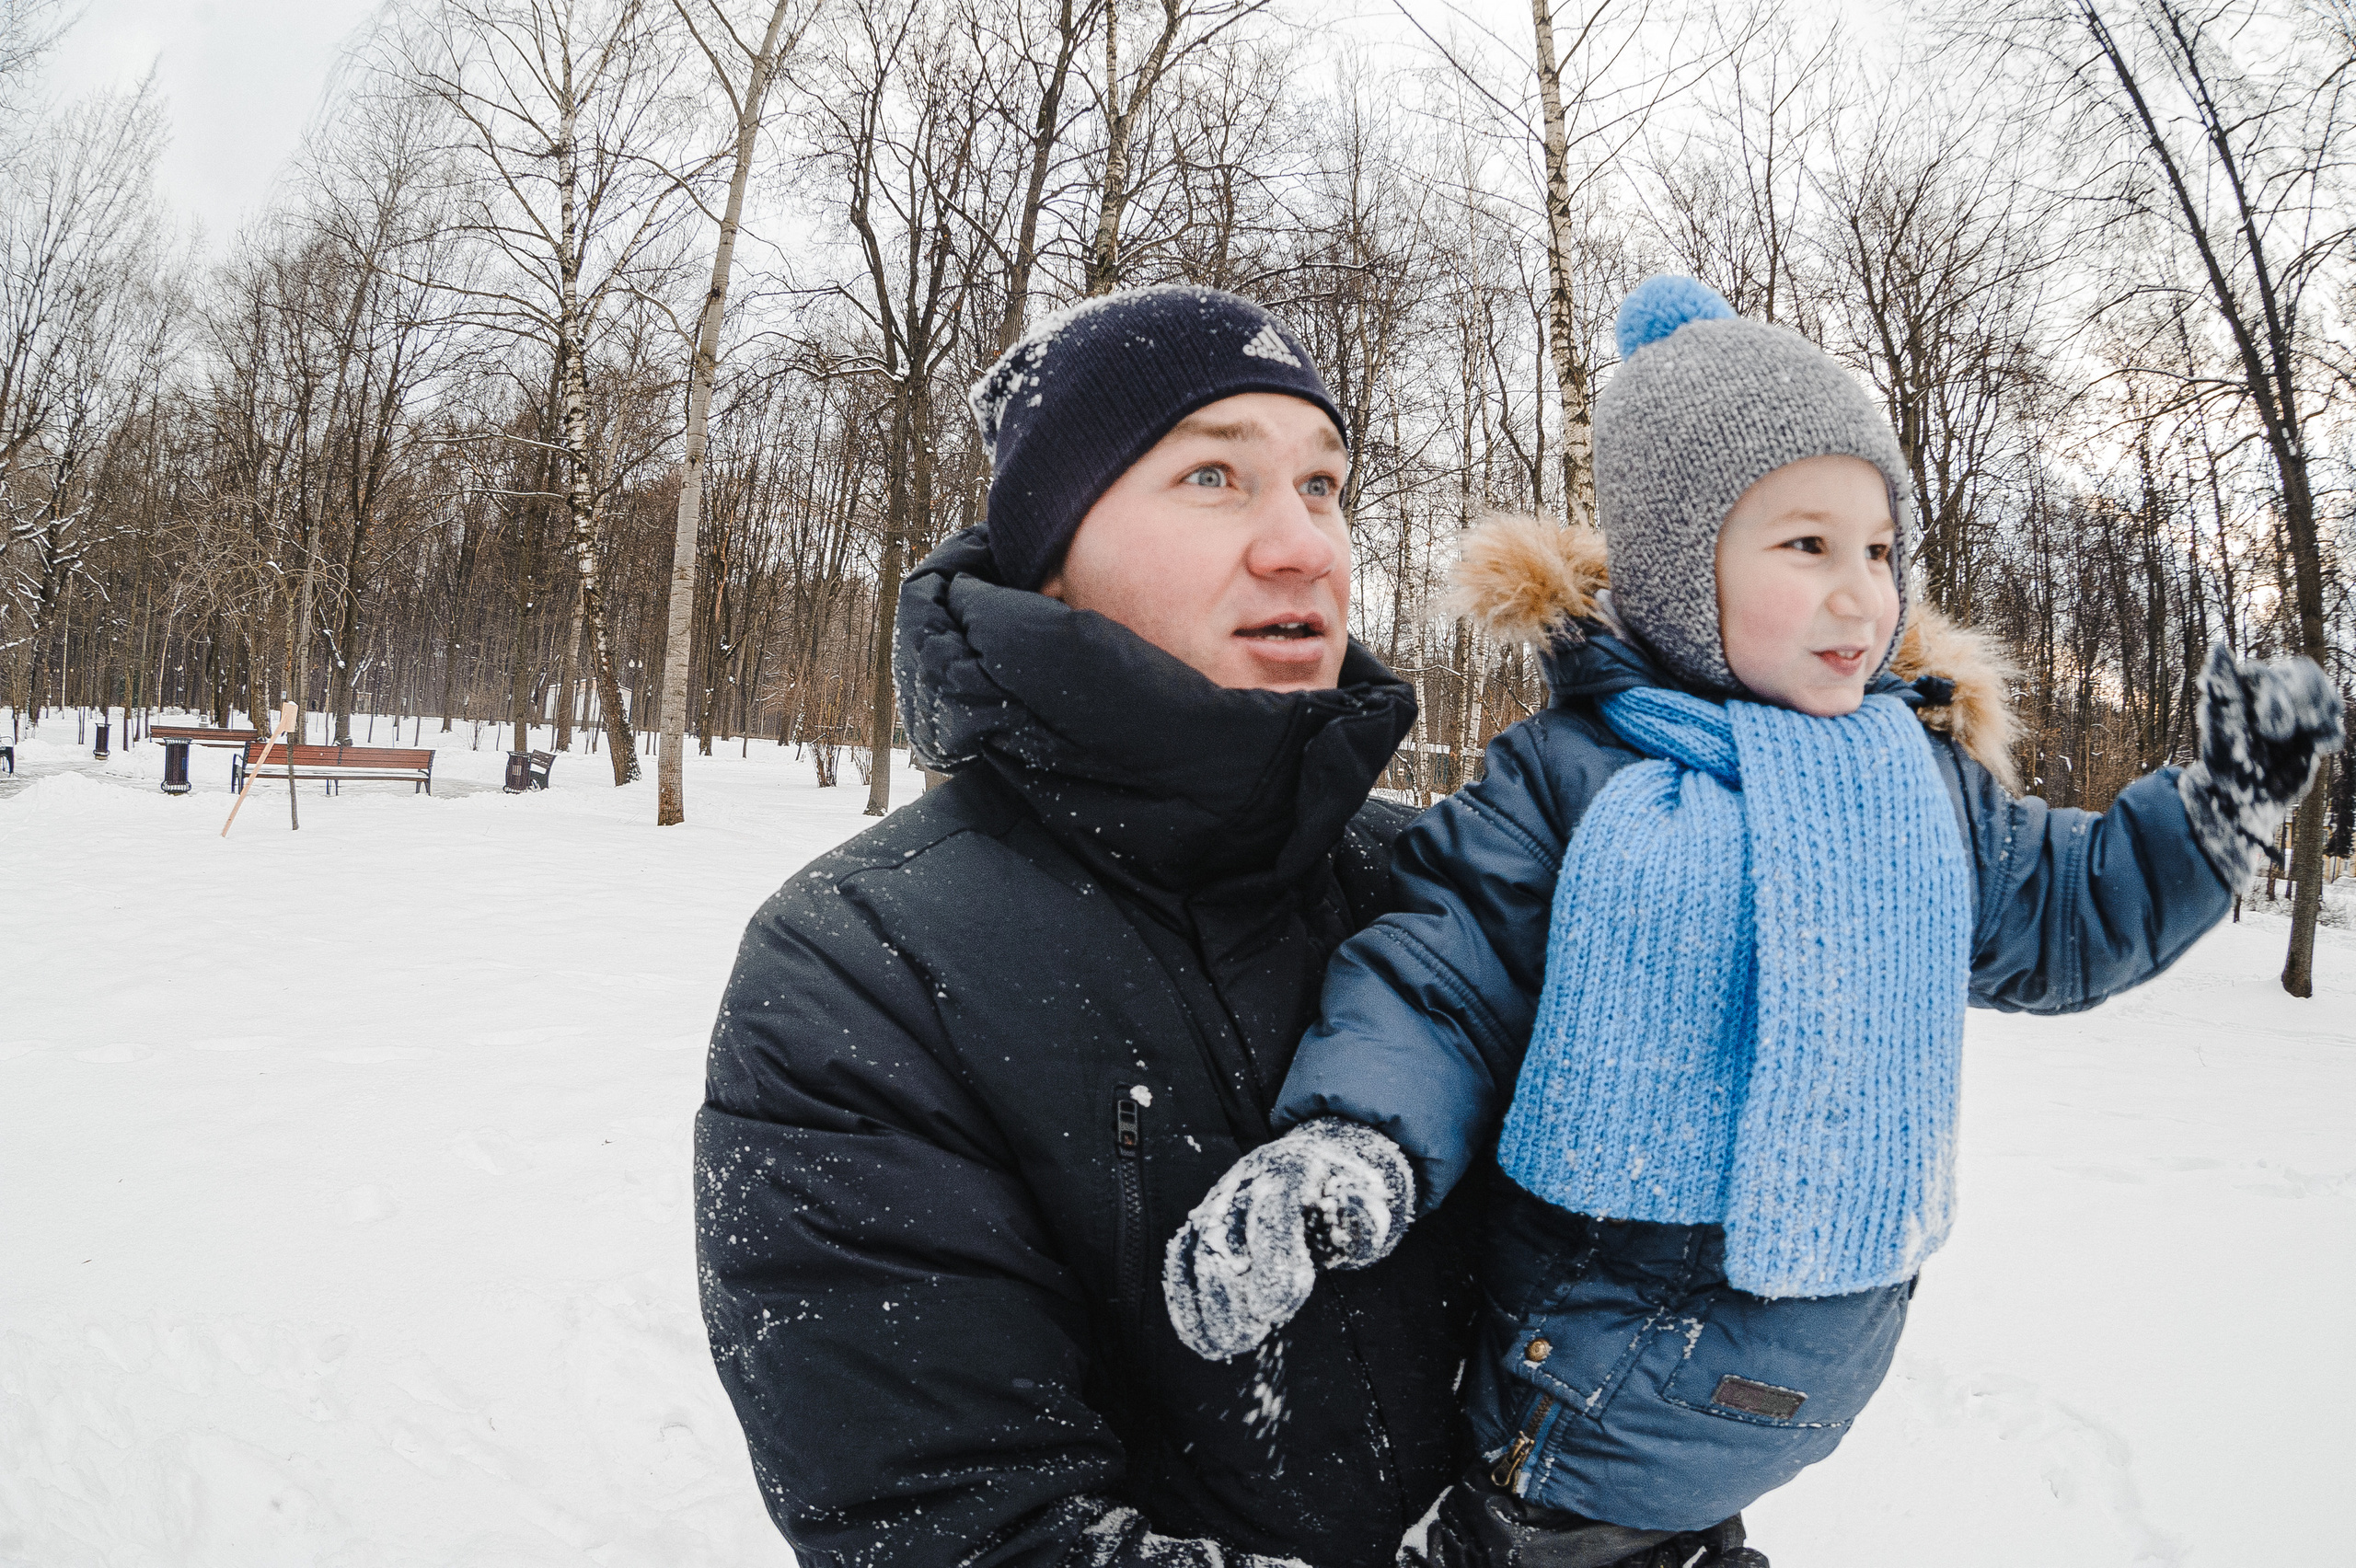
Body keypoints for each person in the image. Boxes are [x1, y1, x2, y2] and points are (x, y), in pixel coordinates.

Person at [1161, 277, 2346, 1568]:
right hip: (1593, 1386)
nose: (1861, 597)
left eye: (1880, 551)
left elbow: (2069, 913)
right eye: (1806, 548)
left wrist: (2215, 808)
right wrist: (1354, 1143)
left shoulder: (1916, 776)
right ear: (1681, 568)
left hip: (1804, 1349)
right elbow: (1441, 976)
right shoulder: (1576, 775)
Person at [695, 285, 1479, 1568]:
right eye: (1215, 474)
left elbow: (1627, 1343)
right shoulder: (860, 965)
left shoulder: (1446, 888)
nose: (1305, 548)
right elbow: (960, 1530)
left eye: (1324, 486)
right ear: (1053, 553)